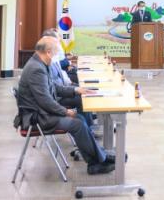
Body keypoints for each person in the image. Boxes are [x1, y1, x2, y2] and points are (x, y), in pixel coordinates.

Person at [16, 36, 114, 175]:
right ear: (48, 52)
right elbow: (45, 101)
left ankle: (99, 157)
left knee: (80, 119)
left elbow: (54, 87)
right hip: (38, 118)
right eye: (56, 52)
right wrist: (65, 111)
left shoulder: (40, 64)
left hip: (43, 112)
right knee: (78, 123)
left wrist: (75, 90)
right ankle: (96, 162)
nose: (57, 56)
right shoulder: (36, 69)